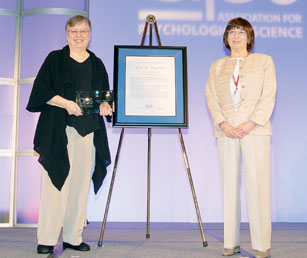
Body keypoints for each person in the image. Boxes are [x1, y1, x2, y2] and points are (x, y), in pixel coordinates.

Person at [26, 15, 112, 254]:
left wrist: (106, 107)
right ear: (67, 35)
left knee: (80, 185)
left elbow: (104, 98)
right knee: (55, 183)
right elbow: (41, 91)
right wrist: (65, 103)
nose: (79, 35)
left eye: (83, 31)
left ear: (90, 35)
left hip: (88, 131)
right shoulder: (54, 59)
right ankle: (47, 239)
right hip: (58, 130)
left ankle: (73, 237)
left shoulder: (97, 63)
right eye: (74, 31)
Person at [206, 17, 276, 258]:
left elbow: (268, 95)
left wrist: (250, 122)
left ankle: (261, 244)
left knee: (258, 186)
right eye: (232, 32)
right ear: (226, 38)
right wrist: (223, 123)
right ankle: (230, 241)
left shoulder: (264, 61)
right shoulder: (216, 66)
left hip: (255, 130)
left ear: (249, 38)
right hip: (226, 131)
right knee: (229, 186)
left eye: (241, 32)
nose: (236, 36)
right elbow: (211, 98)